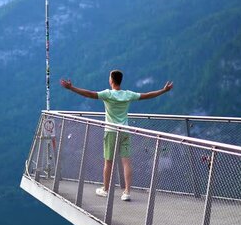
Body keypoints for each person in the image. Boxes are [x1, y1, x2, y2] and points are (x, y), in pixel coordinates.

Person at [60, 70, 173, 201]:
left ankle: (105, 189)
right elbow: (147, 95)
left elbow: (89, 94)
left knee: (108, 162)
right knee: (126, 162)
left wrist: (71, 88)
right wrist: (163, 91)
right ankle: (127, 192)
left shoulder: (107, 94)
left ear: (111, 80)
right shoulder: (127, 94)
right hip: (125, 131)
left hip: (111, 131)